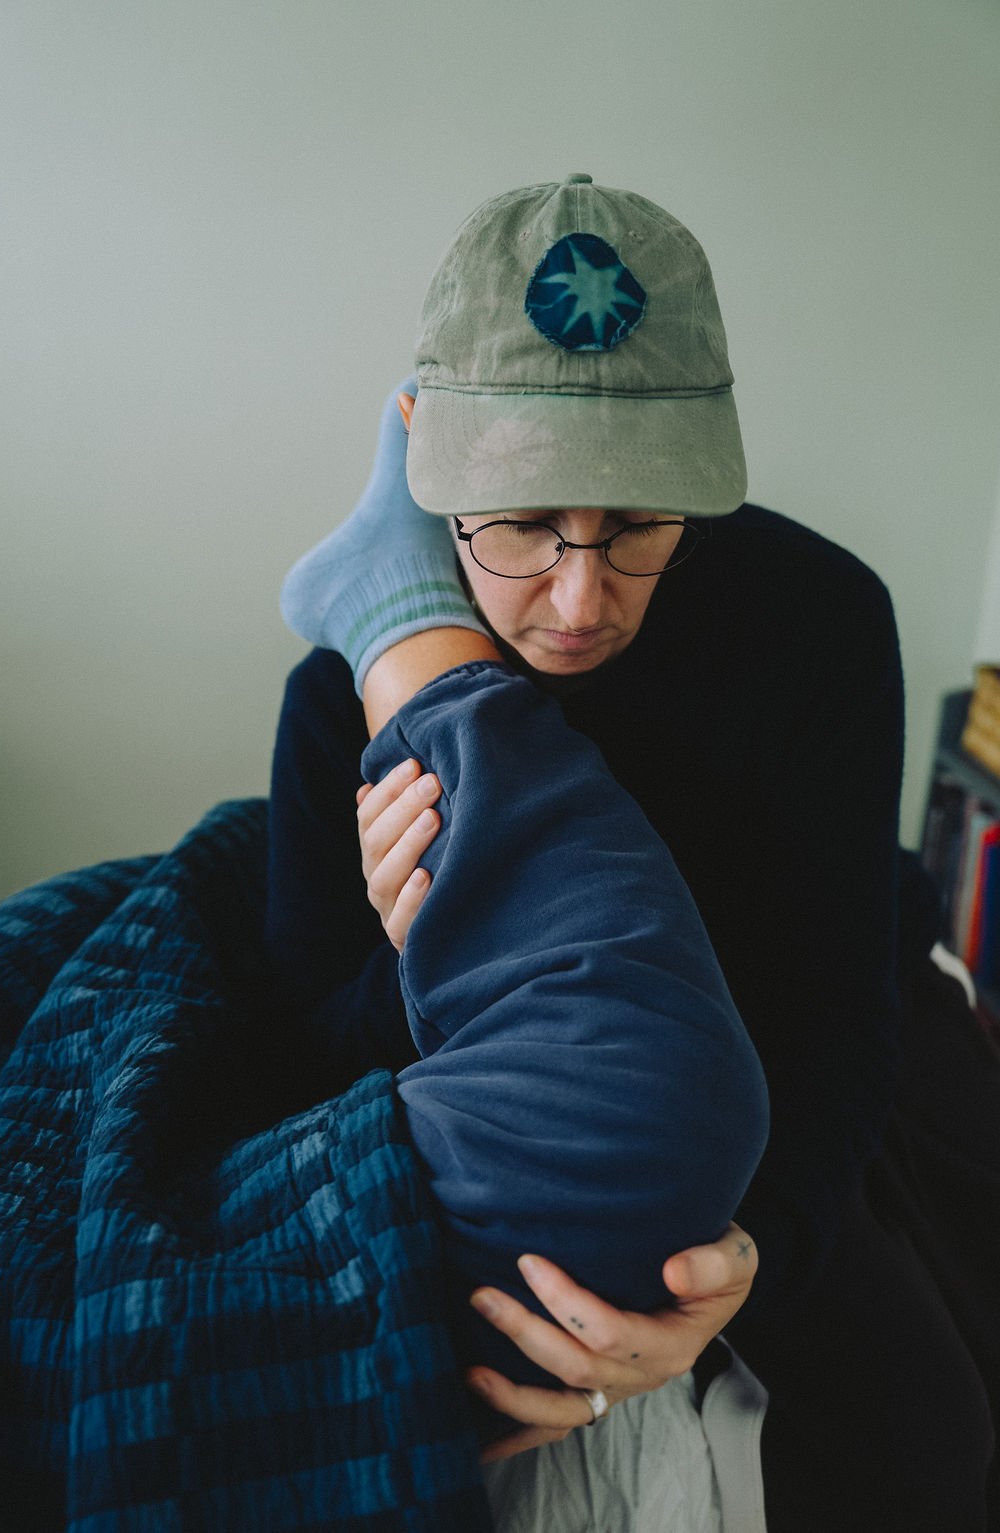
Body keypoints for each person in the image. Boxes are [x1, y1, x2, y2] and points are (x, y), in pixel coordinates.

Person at [268, 176, 994, 1527]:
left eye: (639, 522)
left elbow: (841, 1014)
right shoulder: (343, 701)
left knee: (929, 1435)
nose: (581, 595)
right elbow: (321, 1047)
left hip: (768, 1101)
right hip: (544, 1117)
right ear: (431, 468)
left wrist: (751, 1257)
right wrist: (405, 939)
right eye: (525, 524)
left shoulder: (821, 624)